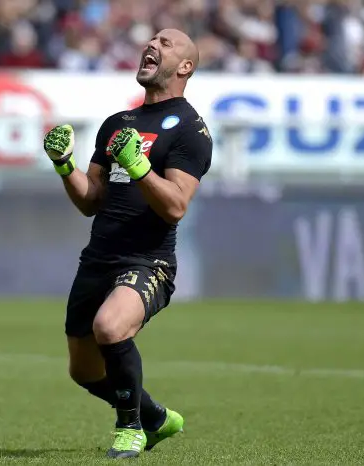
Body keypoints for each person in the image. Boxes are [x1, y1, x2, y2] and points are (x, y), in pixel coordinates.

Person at [42, 28, 213, 459]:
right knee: (83, 371)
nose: (152, 46)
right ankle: (156, 417)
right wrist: (65, 166)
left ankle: (131, 427)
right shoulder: (118, 123)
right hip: (97, 259)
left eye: (166, 43)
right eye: (152, 40)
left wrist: (138, 165)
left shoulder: (191, 130)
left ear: (185, 66)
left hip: (148, 260)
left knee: (110, 327)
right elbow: (90, 201)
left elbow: (175, 206)